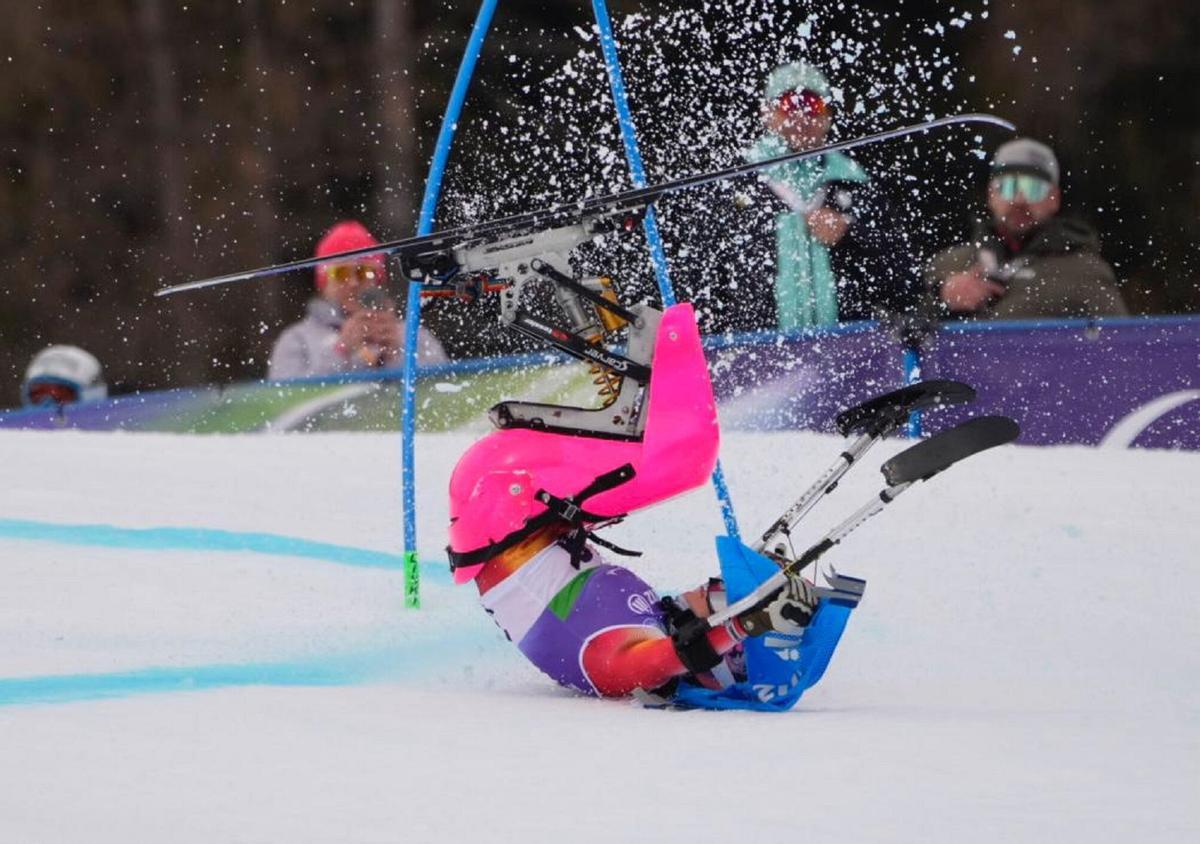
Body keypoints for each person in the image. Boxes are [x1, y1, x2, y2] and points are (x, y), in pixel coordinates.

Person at [446, 302, 820, 699]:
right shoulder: (656, 623)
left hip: (504, 502)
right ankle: (605, 327)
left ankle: (606, 323)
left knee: (682, 459)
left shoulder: (619, 665)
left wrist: (747, 624)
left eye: (720, 594)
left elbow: (667, 660)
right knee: (670, 460)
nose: (709, 584)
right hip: (536, 515)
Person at [744, 61, 918, 329]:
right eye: (789, 104)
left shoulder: (855, 183)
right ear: (767, 113)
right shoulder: (740, 182)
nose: (801, 116)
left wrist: (850, 234)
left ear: (828, 117)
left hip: (848, 347)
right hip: (754, 348)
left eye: (813, 106)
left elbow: (904, 282)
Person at [924, 138, 1128, 319]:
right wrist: (943, 299)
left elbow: (1121, 349)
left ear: (1054, 199)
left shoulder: (1084, 273)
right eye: (1009, 186)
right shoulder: (951, 264)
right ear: (991, 195)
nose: (1020, 200)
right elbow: (903, 335)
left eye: (1034, 189)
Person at [267, 220, 448, 380]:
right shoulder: (297, 340)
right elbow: (286, 404)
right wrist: (340, 351)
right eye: (341, 273)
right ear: (323, 282)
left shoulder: (414, 336)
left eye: (364, 272)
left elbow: (443, 395)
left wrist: (399, 355)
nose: (353, 282)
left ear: (377, 279)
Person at [21, 345, 107, 408]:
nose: (47, 405)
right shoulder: (14, 431)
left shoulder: (117, 429)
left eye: (60, 395)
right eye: (37, 395)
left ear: (92, 395)